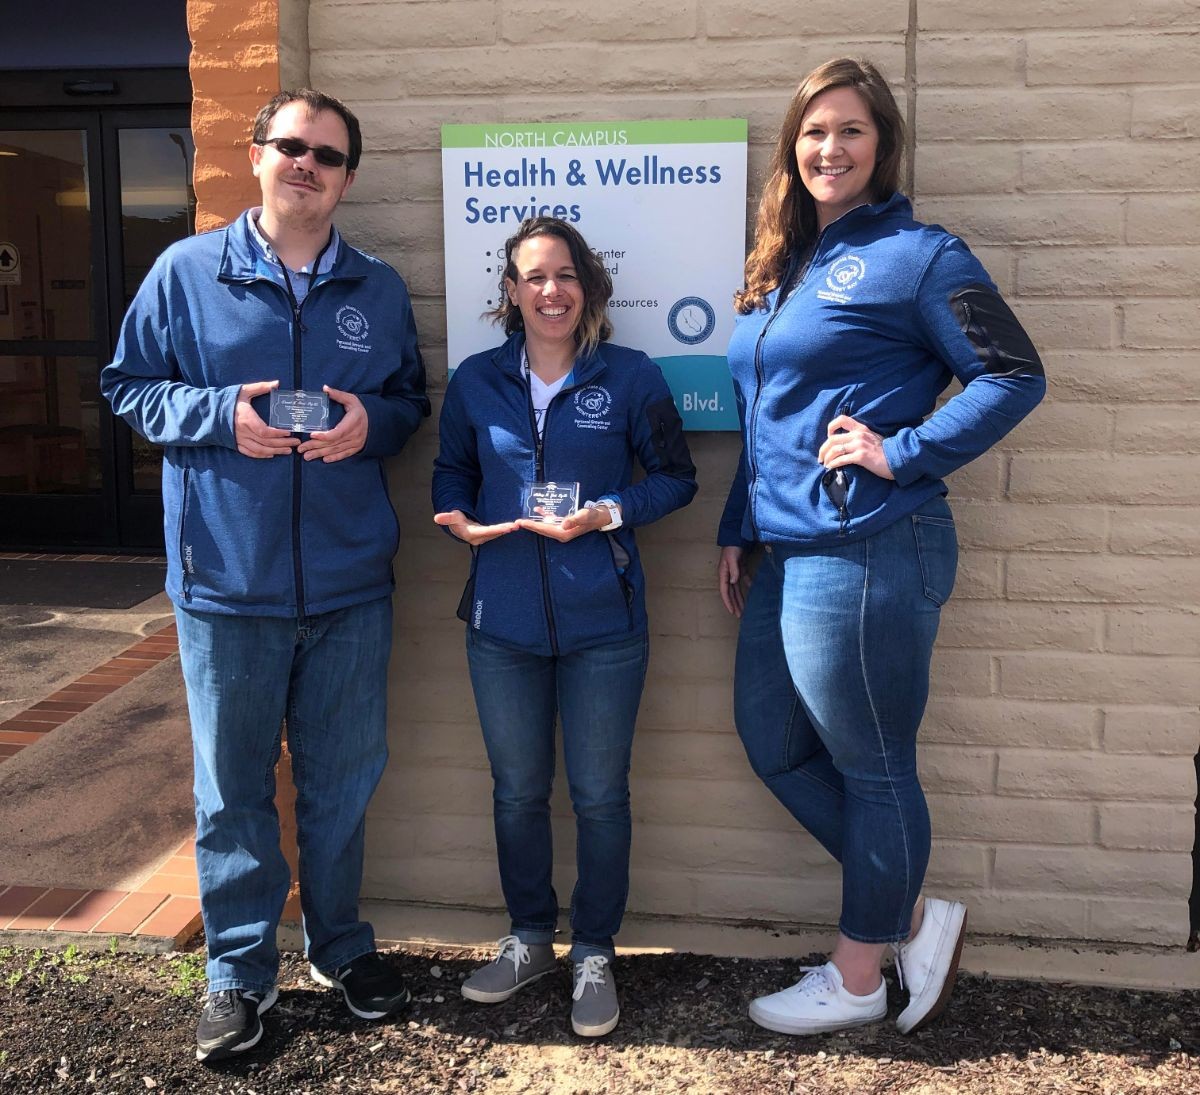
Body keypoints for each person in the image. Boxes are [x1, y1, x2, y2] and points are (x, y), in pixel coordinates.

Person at [716, 58, 1045, 1036]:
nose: (830, 148)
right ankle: (907, 916)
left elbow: (1014, 374)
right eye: (814, 132)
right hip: (786, 548)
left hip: (870, 544)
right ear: (792, 147)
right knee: (773, 743)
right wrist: (740, 525)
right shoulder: (780, 264)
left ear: (882, 145)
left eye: (851, 130)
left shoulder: (921, 254)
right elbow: (765, 413)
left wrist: (902, 453)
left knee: (874, 767)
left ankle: (859, 977)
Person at [101, 88, 429, 1063]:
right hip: (226, 587)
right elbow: (127, 386)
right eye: (291, 146)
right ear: (257, 156)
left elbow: (410, 402)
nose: (307, 166)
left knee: (340, 786)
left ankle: (339, 949)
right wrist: (216, 418)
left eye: (327, 156)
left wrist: (374, 424)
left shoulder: (375, 288)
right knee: (233, 792)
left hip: (348, 588)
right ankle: (240, 975)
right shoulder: (185, 272)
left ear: (348, 176)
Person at [433, 216, 697, 1038]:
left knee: (598, 795)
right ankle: (527, 937)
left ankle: (592, 947)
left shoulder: (631, 376)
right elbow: (450, 472)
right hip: (500, 620)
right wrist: (460, 521)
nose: (551, 290)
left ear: (590, 288)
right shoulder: (477, 380)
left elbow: (677, 479)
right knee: (516, 792)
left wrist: (610, 512)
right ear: (510, 292)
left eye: (566, 275)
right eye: (533, 277)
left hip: (604, 623)